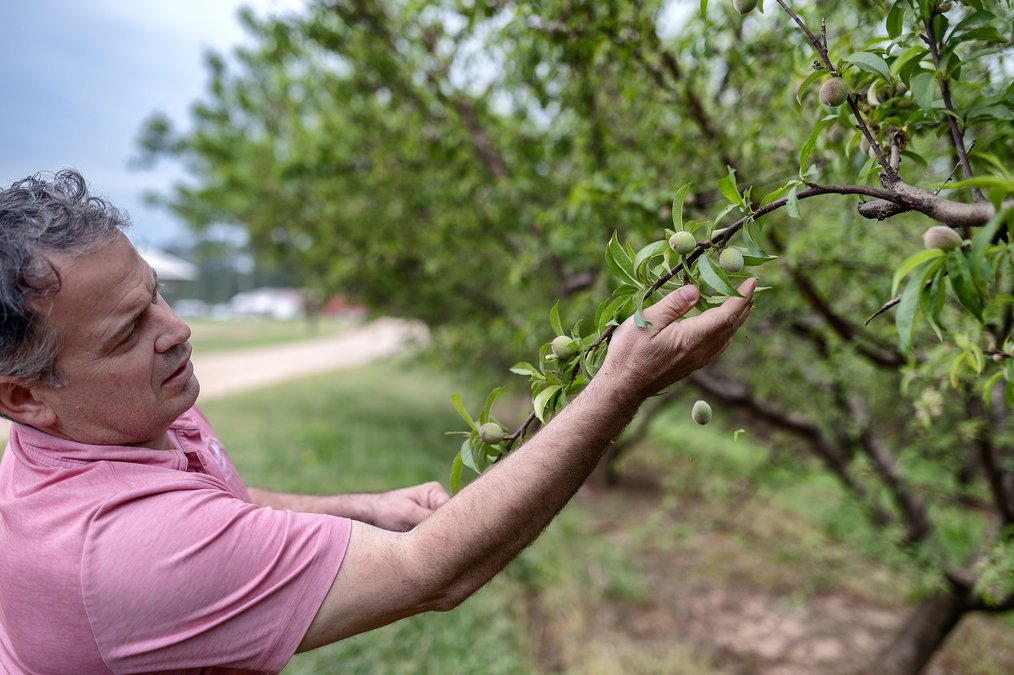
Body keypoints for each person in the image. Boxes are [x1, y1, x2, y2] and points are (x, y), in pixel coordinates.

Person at [0, 169, 754, 673]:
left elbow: (216, 509)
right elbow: (431, 571)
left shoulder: (106, 425)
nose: (177, 329)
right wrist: (619, 385)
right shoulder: (118, 553)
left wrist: (363, 508)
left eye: (157, 294)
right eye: (129, 330)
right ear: (24, 397)